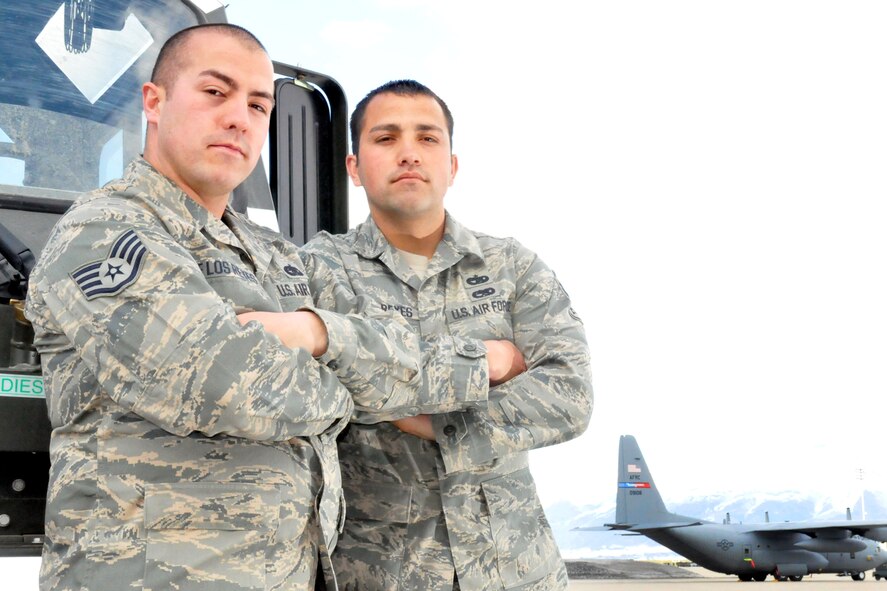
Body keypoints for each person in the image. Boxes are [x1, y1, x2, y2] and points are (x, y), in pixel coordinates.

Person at [24, 26, 422, 591]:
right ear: (154, 102)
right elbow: (220, 382)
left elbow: (393, 344)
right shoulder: (106, 229)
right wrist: (344, 385)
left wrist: (317, 335)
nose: (240, 117)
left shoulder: (281, 256)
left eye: (258, 104)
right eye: (216, 92)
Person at [301, 80, 593, 591]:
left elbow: (571, 395)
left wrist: (427, 416)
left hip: (518, 568)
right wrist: (494, 364)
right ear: (353, 166)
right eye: (386, 138)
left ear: (452, 166)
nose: (409, 153)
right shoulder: (318, 272)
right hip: (380, 572)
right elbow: (335, 392)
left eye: (428, 139)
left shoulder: (512, 267)